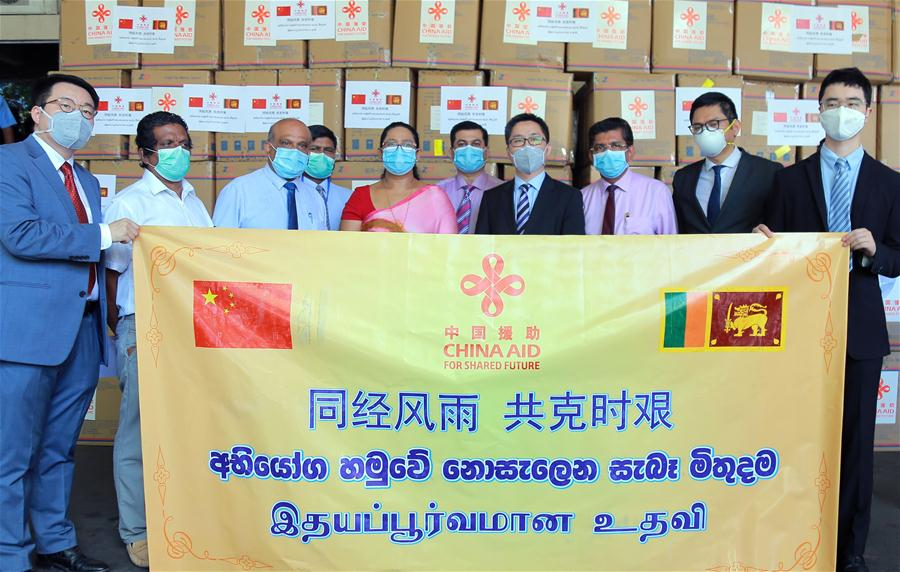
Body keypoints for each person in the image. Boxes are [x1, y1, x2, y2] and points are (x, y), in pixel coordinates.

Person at [758, 68, 900, 572]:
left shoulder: (889, 182)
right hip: (799, 327)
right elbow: (775, 253)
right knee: (796, 434)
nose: (842, 111)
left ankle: (850, 550)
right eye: (832, 102)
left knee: (856, 446)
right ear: (818, 111)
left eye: (852, 103)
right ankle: (796, 537)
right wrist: (762, 245)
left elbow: (898, 257)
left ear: (868, 111)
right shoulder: (788, 180)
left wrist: (876, 249)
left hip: (859, 329)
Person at [0, 74, 140, 572]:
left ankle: (55, 542)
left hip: (82, 329)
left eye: (87, 112)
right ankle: (11, 554)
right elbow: (20, 234)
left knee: (60, 448)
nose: (77, 117)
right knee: (12, 451)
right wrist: (104, 233)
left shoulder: (84, 179)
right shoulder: (9, 162)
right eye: (66, 106)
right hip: (27, 331)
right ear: (37, 113)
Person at [103, 111, 213, 569]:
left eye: (183, 143)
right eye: (167, 144)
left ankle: (181, 520)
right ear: (145, 154)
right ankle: (137, 531)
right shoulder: (129, 202)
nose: (178, 152)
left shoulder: (195, 202)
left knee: (186, 426)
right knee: (139, 430)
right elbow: (111, 273)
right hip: (145, 324)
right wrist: (123, 328)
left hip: (192, 327)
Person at [672, 91, 782, 233]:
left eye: (713, 124)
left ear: (735, 127)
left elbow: (780, 225)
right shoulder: (683, 178)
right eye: (698, 127)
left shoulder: (768, 173)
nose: (705, 132)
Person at [475, 113, 584, 235]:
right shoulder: (491, 198)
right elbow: (482, 244)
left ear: (547, 149)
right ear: (508, 152)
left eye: (535, 139)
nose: (527, 146)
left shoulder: (569, 197)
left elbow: (574, 245)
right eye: (518, 140)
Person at [340, 121, 457, 233]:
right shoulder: (361, 196)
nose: (399, 150)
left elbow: (449, 244)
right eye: (391, 144)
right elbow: (347, 243)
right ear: (381, 153)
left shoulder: (435, 197)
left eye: (407, 144)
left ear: (417, 154)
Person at [213, 118, 318, 229]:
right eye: (286, 143)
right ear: (268, 148)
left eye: (302, 145)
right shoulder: (238, 191)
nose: (294, 151)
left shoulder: (315, 197)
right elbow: (220, 239)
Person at [580, 117, 677, 235]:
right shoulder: (582, 198)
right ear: (591, 156)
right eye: (600, 147)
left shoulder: (656, 192)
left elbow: (670, 243)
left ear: (630, 152)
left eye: (615, 145)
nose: (608, 153)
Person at [436, 120, 503, 234]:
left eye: (476, 144)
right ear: (452, 153)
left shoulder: (502, 192)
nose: (468, 150)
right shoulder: (438, 192)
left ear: (486, 152)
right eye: (461, 144)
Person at [299, 124, 351, 231]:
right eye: (314, 149)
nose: (322, 154)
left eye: (328, 150)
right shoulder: (290, 192)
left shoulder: (349, 197)